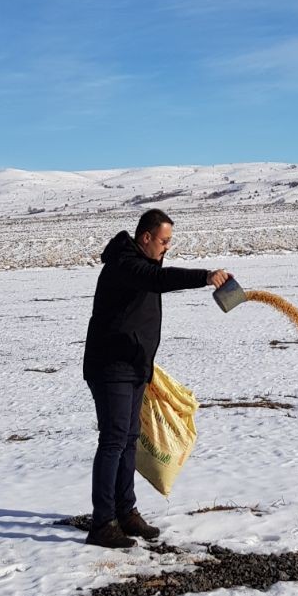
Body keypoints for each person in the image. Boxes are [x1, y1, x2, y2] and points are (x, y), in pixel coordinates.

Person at [82, 207, 230, 549]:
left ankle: (126, 512)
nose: (167, 248)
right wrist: (205, 276)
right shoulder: (125, 264)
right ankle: (103, 523)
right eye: (163, 241)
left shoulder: (144, 264)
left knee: (129, 438)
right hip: (111, 367)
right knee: (114, 440)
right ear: (145, 237)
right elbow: (158, 282)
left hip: (133, 366)